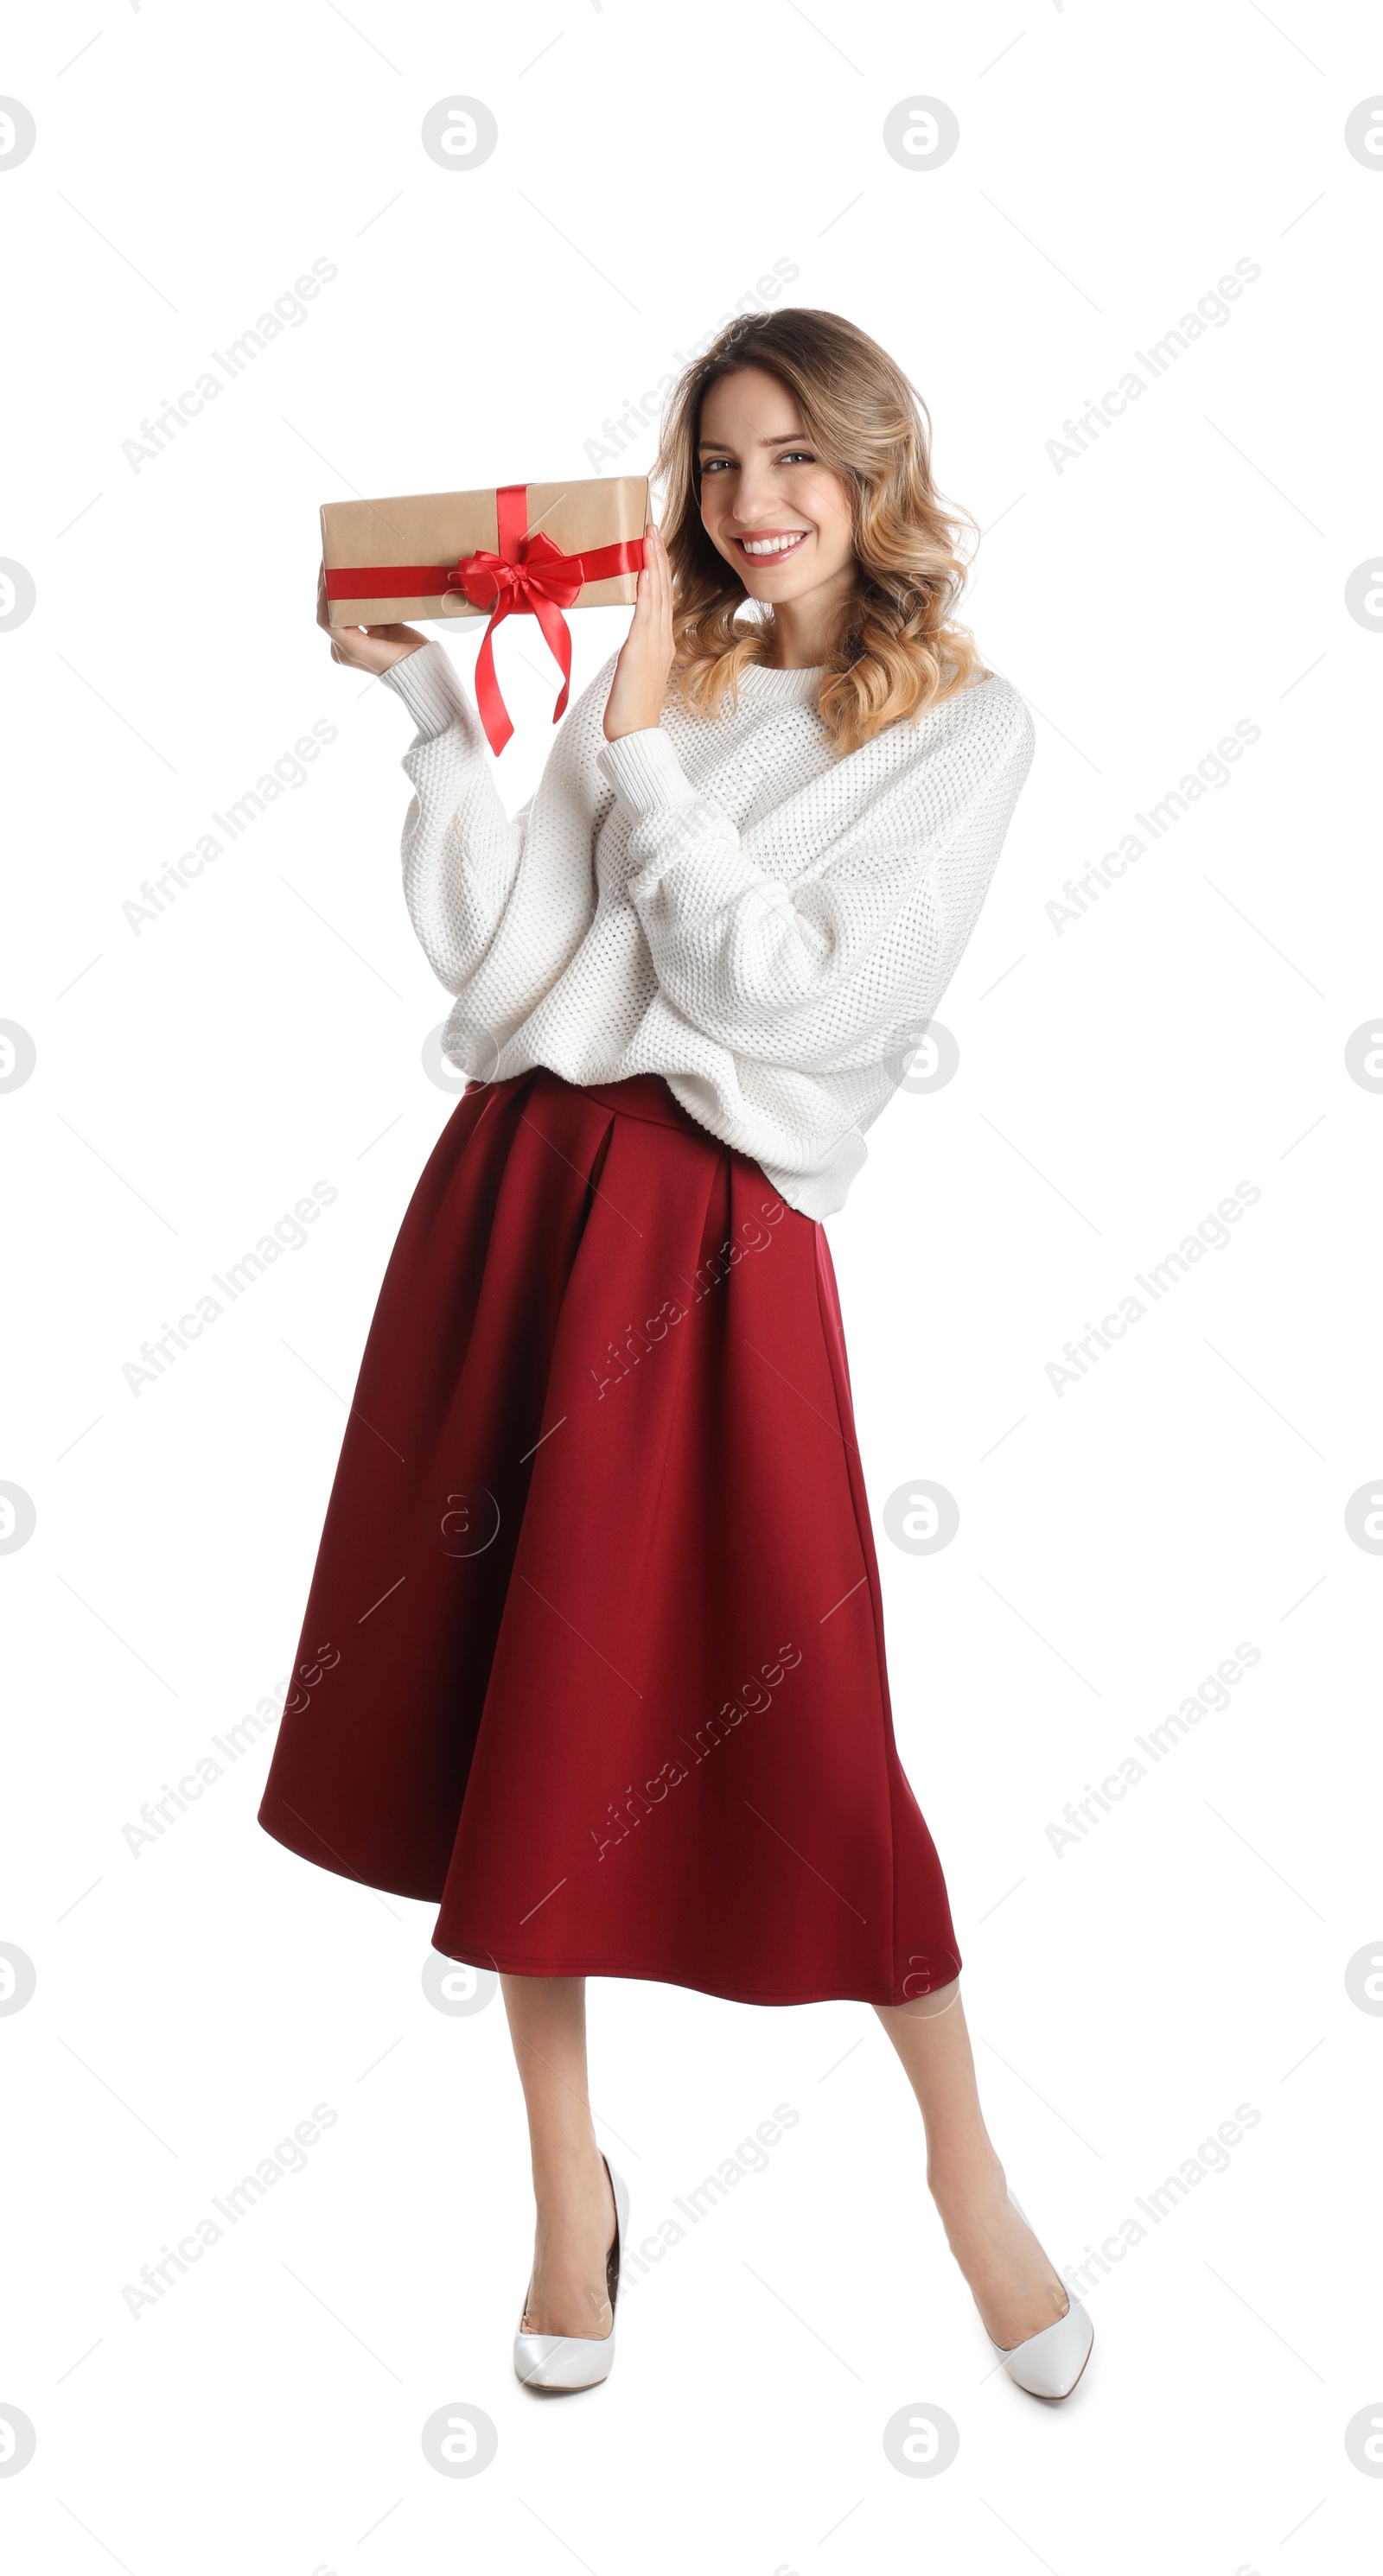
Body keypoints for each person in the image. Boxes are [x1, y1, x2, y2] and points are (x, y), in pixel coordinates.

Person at [259, 307, 1093, 2402]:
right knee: (500, 1705)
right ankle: (566, 2196)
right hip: (515, 1197)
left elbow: (803, 1001)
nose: (754, 502)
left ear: (877, 470)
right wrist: (456, 724)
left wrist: (635, 749)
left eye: (796, 455)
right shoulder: (668, 662)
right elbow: (505, 957)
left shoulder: (958, 726)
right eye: (719, 461)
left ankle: (965, 2176)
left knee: (812, 1731)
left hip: (716, 1244)